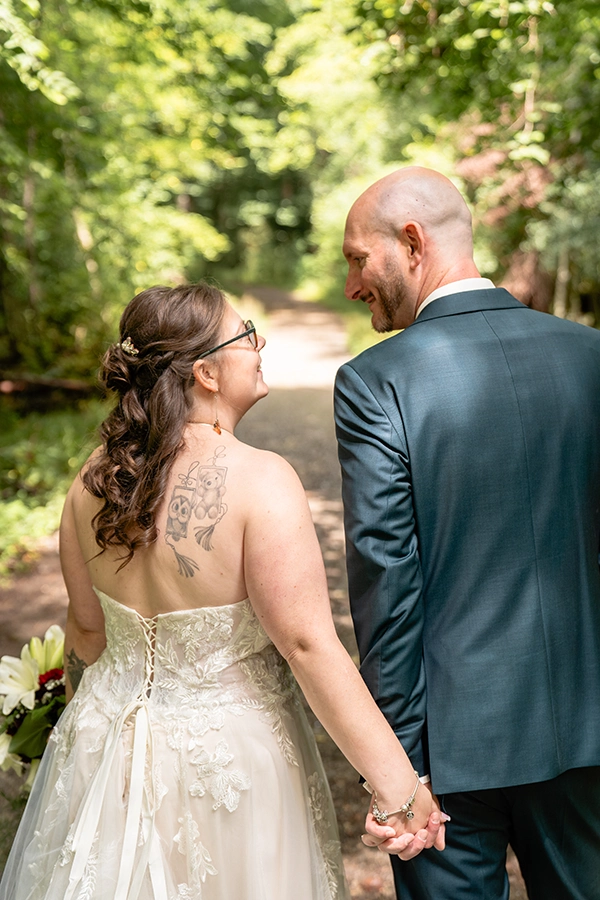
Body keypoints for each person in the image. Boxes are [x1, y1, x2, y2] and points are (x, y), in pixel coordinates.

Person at [0, 282, 444, 900]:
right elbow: (309, 645)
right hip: (227, 766)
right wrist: (398, 787)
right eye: (246, 334)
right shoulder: (262, 481)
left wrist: (79, 737)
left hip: (103, 752)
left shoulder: (91, 481)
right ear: (205, 373)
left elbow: (86, 635)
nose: (259, 343)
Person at [334, 167, 600, 900]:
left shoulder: (375, 381)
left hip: (450, 752)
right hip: (588, 730)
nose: (353, 285)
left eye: (358, 259)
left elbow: (387, 581)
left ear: (411, 243)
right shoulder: (591, 355)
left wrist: (400, 768)